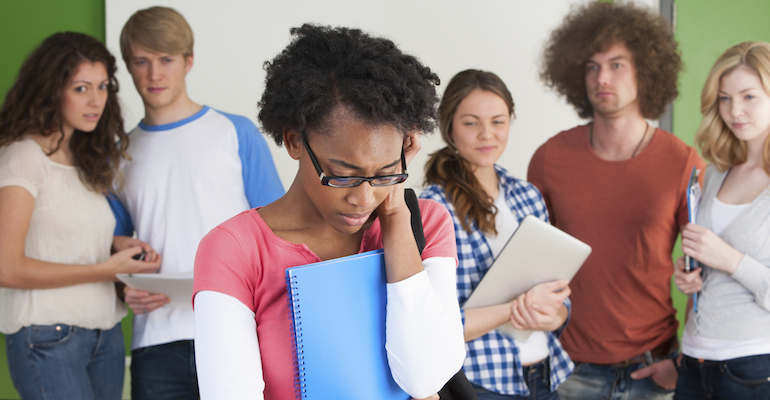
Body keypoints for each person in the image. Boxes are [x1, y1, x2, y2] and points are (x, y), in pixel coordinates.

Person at [192, 24, 466, 400]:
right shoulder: (234, 250)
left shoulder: (428, 224)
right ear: (293, 141)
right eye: (342, 175)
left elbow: (425, 378)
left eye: (385, 173)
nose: (364, 198)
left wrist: (396, 218)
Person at [529, 2, 705, 400]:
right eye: (591, 66)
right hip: (569, 367)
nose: (601, 78)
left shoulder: (683, 163)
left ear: (646, 70)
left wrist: (682, 364)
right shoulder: (550, 158)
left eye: (617, 64)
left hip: (653, 365)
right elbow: (530, 260)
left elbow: (705, 275)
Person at [108, 6, 284, 399]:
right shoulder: (118, 154)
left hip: (238, 329)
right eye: (142, 61)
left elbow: (278, 232)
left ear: (188, 61)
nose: (154, 74)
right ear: (128, 67)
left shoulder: (235, 133)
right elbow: (113, 250)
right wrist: (124, 290)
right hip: (156, 340)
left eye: (166, 59)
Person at [0, 32, 161, 400]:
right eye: (81, 88)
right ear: (50, 90)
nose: (96, 101)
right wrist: (102, 270)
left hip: (103, 335)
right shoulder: (23, 157)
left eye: (103, 86)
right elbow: (5, 267)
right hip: (47, 338)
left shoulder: (86, 159)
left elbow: (55, 232)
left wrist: (114, 245)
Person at [420, 69, 573, 400]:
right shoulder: (432, 207)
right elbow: (435, 326)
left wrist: (552, 314)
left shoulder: (528, 195)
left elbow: (560, 302)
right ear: (449, 128)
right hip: (483, 384)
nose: (486, 134)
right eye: (471, 122)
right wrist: (515, 309)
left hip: (545, 375)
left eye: (498, 121)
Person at [673, 41, 770, 399]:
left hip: (755, 365)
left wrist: (729, 259)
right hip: (696, 359)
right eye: (725, 98)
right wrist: (691, 276)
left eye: (749, 96)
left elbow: (729, 258)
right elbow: (709, 262)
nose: (735, 110)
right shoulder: (715, 173)